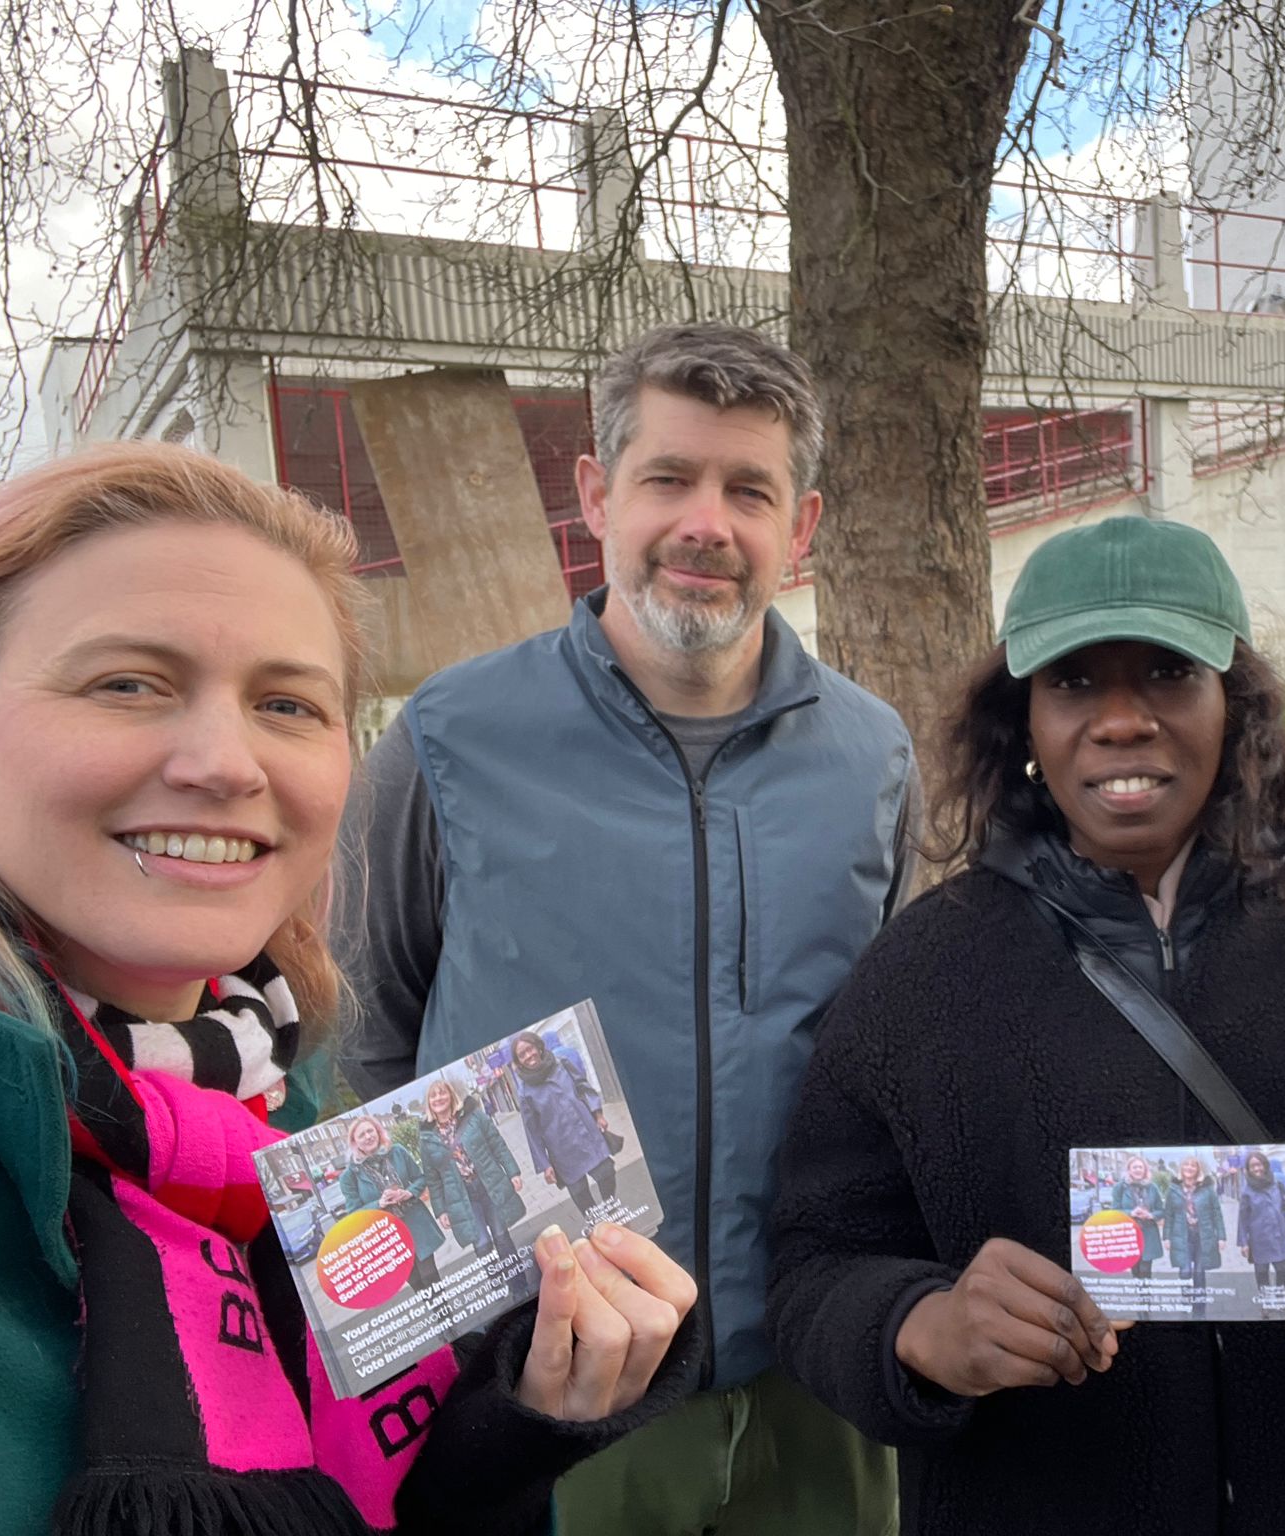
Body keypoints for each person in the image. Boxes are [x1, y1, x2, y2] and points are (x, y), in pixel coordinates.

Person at [0, 442, 700, 1536]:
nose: (225, 763)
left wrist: (512, 1432)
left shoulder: (286, 1098)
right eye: (128, 683)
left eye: (286, 705)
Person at [768, 514, 1285, 1533]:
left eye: (1167, 674)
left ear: (1235, 703)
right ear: (1020, 718)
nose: (1121, 720)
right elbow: (815, 1261)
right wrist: (921, 1328)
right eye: (1074, 683)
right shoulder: (919, 978)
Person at [335, 323, 917, 1534]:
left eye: (747, 490)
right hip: (556, 1391)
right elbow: (369, 1040)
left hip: (812, 1374)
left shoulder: (872, 756)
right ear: (597, 495)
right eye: (669, 478)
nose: (706, 522)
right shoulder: (450, 740)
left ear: (797, 529)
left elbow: (886, 1050)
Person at [509, 1029, 619, 1217]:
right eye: (522, 1054)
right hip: (562, 1150)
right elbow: (532, 1132)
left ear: (538, 1047)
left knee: (607, 1173)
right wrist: (545, 1165)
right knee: (580, 1193)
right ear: (518, 1061)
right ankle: (598, 1225)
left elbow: (583, 1088)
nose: (529, 1056)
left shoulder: (562, 1064)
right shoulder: (525, 1091)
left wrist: (598, 1114)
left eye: (530, 1049)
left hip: (586, 1133)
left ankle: (612, 1211)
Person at [421, 1078, 528, 1264]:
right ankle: (496, 1289)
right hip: (462, 1197)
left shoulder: (474, 1117)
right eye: (433, 1095)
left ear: (451, 1095)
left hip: (488, 1184)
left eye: (442, 1092)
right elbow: (433, 1179)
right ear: (429, 1103)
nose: (438, 1098)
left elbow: (497, 1145)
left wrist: (513, 1172)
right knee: (482, 1246)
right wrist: (441, 1210)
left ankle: (520, 1287)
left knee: (502, 1237)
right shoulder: (427, 1139)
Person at [340, 1113, 446, 1291]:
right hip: (388, 1237)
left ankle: (447, 1316)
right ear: (354, 1142)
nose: (368, 1137)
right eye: (362, 1135)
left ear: (378, 1132)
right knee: (418, 1284)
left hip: (417, 1226)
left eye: (370, 1131)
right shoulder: (349, 1176)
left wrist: (409, 1192)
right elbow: (354, 1214)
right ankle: (439, 1315)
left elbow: (420, 1178)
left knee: (431, 1277)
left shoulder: (397, 1151)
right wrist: (378, 1204)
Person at [1161, 1154, 1226, 1316]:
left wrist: (1221, 1237)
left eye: (1193, 1165)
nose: (1189, 1168)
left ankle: (1199, 1309)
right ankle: (1186, 1294)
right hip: (1181, 1236)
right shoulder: (1173, 1190)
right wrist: (1167, 1237)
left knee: (1199, 1272)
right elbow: (1168, 1214)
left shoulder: (1207, 1190)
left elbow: (1217, 1213)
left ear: (1198, 1169)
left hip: (1203, 1236)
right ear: (1181, 1168)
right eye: (1186, 1165)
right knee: (1184, 1271)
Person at [1236, 1148, 1285, 1295]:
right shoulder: (1247, 1191)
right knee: (1261, 1271)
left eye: (1259, 1164)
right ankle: (1264, 1299)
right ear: (1249, 1170)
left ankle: (1279, 1292)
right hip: (1259, 1238)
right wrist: (1244, 1242)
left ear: (1265, 1165)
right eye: (1253, 1166)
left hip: (1279, 1235)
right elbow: (1243, 1218)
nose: (1257, 1168)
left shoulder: (1277, 1184)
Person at [1108, 1154, 1165, 1278]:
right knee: (1135, 1270)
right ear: (1129, 1170)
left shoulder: (1152, 1187)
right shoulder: (1120, 1187)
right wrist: (1131, 1213)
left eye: (1140, 1167)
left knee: (1145, 1269)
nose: (1138, 1170)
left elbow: (1161, 1210)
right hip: (1129, 1234)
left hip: (1148, 1234)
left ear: (1145, 1170)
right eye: (1135, 1167)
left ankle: (1146, 1296)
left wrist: (1150, 1215)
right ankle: (1141, 1294)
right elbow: (1115, 1211)